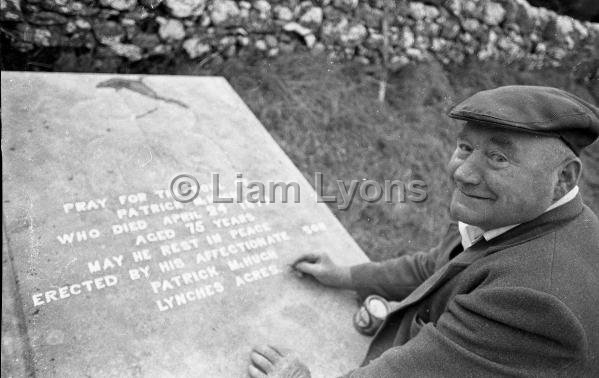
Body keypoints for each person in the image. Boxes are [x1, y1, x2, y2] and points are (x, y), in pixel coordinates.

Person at [247, 86, 599, 377]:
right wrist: (343, 275)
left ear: (564, 177)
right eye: (465, 148)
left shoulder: (535, 302)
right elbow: (436, 265)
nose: (463, 173)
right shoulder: (503, 214)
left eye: (498, 158)